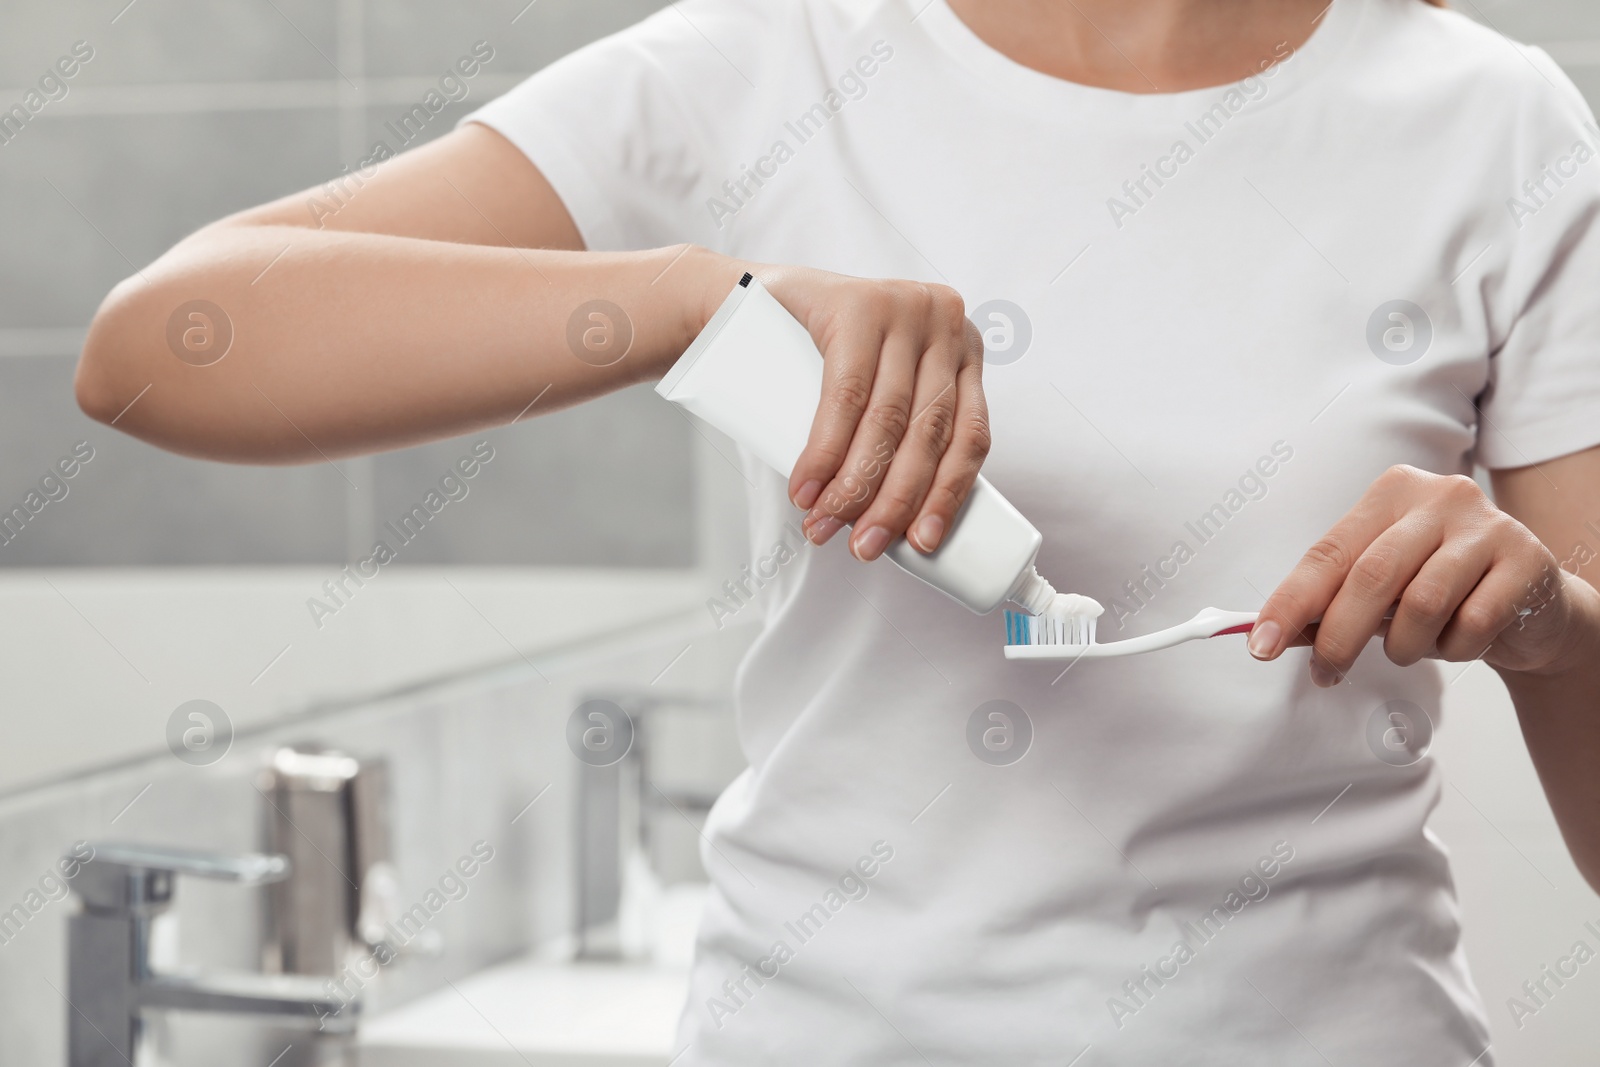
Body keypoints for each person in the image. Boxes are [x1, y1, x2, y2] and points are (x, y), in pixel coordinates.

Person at [75, 0, 1600, 1062]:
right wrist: (690, 306)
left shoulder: (1493, 121)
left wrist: (1549, 629)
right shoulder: (766, 62)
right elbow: (160, 348)